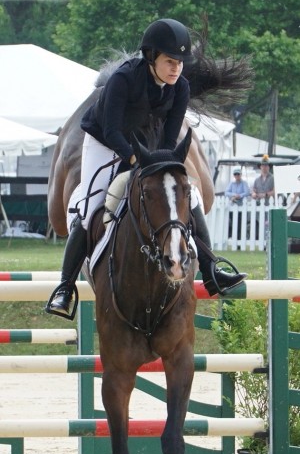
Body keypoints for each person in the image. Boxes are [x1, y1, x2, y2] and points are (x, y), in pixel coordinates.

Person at [46, 18, 246, 319]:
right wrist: (135, 162)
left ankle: (211, 268)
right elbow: (112, 131)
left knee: (188, 197)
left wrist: (161, 167)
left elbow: (168, 138)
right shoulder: (123, 80)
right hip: (103, 141)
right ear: (151, 57)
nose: (176, 68)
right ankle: (64, 288)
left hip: (147, 143)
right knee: (89, 206)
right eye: (170, 61)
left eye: (180, 62)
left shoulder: (180, 88)